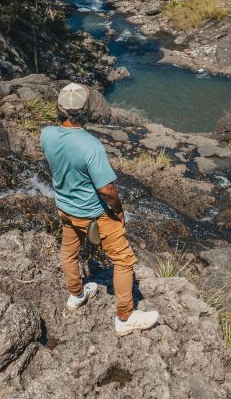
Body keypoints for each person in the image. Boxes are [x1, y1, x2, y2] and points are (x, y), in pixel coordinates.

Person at [40, 82, 159, 336]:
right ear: (85, 111)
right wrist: (118, 211)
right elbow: (107, 190)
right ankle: (125, 318)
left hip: (65, 208)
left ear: (59, 109)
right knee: (124, 260)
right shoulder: (91, 146)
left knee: (69, 253)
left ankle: (76, 295)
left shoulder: (46, 134)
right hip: (94, 214)